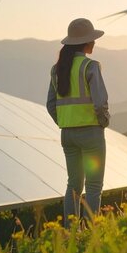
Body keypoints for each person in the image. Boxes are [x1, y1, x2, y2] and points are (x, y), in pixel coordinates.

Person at [46, 18, 110, 228]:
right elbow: (100, 103)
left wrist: (65, 122)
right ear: (86, 42)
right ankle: (90, 232)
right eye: (92, 39)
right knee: (93, 187)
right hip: (91, 134)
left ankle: (70, 232)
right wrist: (103, 122)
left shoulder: (57, 69)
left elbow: (50, 104)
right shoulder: (90, 66)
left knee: (73, 185)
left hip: (68, 135)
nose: (95, 43)